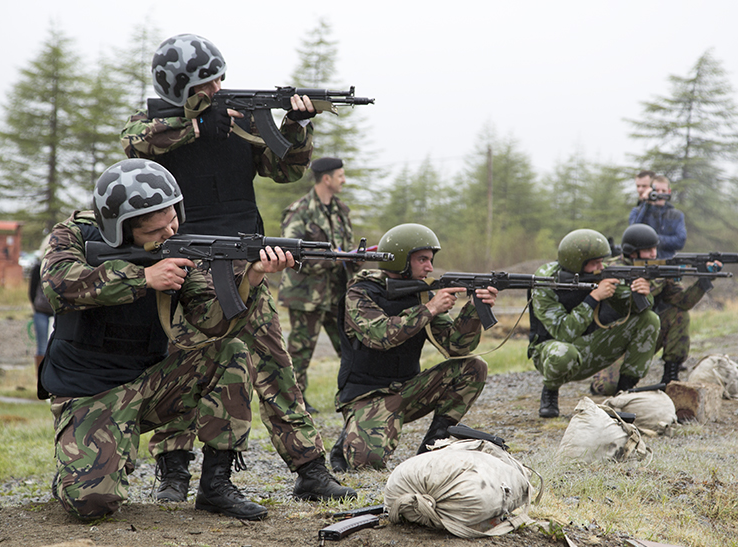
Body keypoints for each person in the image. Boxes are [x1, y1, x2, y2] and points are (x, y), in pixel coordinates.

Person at [120, 34, 354, 503]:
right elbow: (134, 145)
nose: (220, 86)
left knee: (274, 363)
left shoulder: (241, 120)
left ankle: (309, 469)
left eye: (220, 77)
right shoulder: (154, 125)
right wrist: (198, 127)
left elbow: (284, 170)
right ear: (181, 88)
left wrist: (295, 125)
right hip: (182, 259)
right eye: (209, 81)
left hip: (243, 258)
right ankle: (173, 471)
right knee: (183, 361)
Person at [40, 159, 290, 521]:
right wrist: (143, 278)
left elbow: (212, 322)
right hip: (90, 391)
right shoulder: (75, 235)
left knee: (231, 352)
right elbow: (58, 285)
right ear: (120, 229)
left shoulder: (177, 247)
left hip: (152, 385)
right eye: (156, 230)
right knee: (92, 505)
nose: (170, 233)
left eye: (173, 220)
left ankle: (216, 485)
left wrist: (250, 278)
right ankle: (79, 469)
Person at [328, 224, 497, 471]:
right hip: (367, 395)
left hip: (407, 391)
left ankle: (434, 444)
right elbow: (381, 335)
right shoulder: (360, 293)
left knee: (474, 367)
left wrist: (473, 309)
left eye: (430, 260)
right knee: (367, 463)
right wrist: (430, 309)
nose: (429, 267)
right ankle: (348, 437)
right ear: (400, 260)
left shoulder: (422, 296)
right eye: (422, 259)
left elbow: (456, 347)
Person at [529, 229, 659, 417]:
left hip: (590, 348)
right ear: (576, 263)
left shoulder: (603, 273)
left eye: (602, 261)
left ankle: (624, 392)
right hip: (551, 352)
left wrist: (642, 292)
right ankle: (550, 391)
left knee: (649, 320)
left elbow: (639, 310)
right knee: (564, 353)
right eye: (595, 263)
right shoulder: (546, 281)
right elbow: (563, 333)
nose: (601, 267)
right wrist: (594, 297)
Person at [278, 157, 357, 413]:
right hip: (306, 293)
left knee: (350, 347)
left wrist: (353, 259)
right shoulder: (299, 210)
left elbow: (346, 248)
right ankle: (295, 404)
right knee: (300, 353)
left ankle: (355, 395)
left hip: (336, 293)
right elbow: (290, 253)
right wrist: (331, 258)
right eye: (340, 175)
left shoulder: (341, 211)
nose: (344, 180)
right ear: (327, 178)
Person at [619, 224, 719, 384]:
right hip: (615, 338)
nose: (654, 254)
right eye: (648, 250)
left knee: (678, 314)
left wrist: (703, 280)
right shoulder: (615, 269)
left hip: (643, 335)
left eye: (655, 249)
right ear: (632, 252)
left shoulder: (658, 271)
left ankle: (671, 374)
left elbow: (682, 302)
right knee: (606, 387)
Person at [629, 174, 686, 259]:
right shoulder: (638, 211)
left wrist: (652, 240)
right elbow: (633, 234)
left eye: (663, 191)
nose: (660, 194)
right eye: (657, 190)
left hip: (667, 261)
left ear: (668, 192)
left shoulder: (676, 215)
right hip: (644, 262)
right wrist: (647, 204)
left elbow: (679, 241)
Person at [27, 235, 53, 374]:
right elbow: (32, 292)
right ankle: (42, 383)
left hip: (52, 312)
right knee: (42, 348)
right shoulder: (38, 267)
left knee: (52, 347)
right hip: (42, 312)